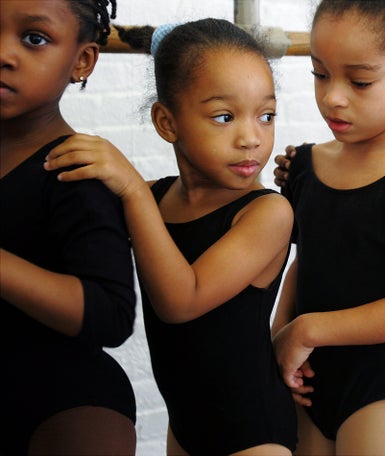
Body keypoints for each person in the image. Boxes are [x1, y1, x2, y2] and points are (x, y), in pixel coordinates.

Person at [45, 19, 297, 455]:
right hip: (185, 430)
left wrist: (128, 188)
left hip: (254, 435)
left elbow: (182, 300)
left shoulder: (267, 213)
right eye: (224, 117)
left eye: (267, 115)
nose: (251, 138)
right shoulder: (156, 198)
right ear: (167, 122)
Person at [270, 1, 385, 454]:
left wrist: (307, 330)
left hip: (382, 385)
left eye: (359, 81)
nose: (333, 96)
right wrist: (278, 339)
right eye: (319, 73)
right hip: (309, 376)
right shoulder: (304, 167)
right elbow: (306, 261)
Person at [0, 1, 138, 454]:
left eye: (34, 39)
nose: (4, 53)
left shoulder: (74, 171)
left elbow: (111, 314)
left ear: (82, 61)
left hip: (61, 402)